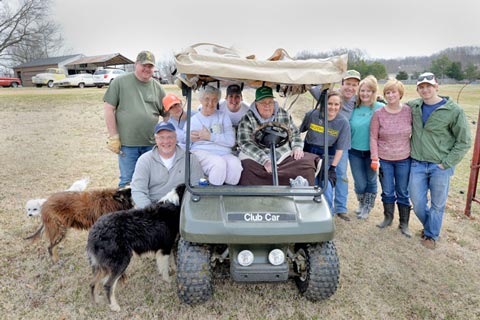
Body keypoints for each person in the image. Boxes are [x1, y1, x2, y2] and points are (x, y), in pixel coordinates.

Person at [408, 72, 471, 249]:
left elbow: (464, 141)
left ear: (437, 86)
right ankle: (431, 225)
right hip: (417, 163)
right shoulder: (414, 106)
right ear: (418, 90)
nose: (425, 89)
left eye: (429, 86)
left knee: (437, 204)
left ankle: (430, 235)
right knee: (418, 202)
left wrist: (446, 163)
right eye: (421, 87)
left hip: (440, 166)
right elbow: (395, 108)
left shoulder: (454, 110)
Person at [104, 50, 167, 187]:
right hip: (128, 145)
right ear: (136, 64)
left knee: (151, 181)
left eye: (150, 66)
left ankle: (146, 208)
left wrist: (169, 137)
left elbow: (167, 114)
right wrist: (113, 136)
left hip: (150, 145)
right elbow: (109, 109)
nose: (146, 69)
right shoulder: (120, 82)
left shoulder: (158, 87)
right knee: (127, 182)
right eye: (143, 65)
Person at [237, 86, 319, 185]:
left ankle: (300, 193)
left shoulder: (283, 114)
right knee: (246, 168)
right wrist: (265, 160)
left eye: (270, 102)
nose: (267, 106)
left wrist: (297, 147)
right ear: (256, 104)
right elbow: (245, 143)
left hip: (282, 154)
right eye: (263, 103)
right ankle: (257, 195)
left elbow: (295, 134)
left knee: (308, 164)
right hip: (258, 157)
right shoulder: (247, 119)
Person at [310, 70, 361, 220]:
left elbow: (371, 98)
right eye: (348, 84)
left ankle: (341, 207)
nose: (350, 88)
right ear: (341, 83)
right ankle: (323, 205)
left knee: (340, 174)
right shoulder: (328, 94)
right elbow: (309, 86)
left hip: (341, 141)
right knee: (320, 174)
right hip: (324, 139)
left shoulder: (357, 100)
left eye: (354, 85)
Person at [370, 79, 412, 237]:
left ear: (400, 94)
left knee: (402, 191)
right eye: (387, 92)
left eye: (394, 92)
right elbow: (373, 137)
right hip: (384, 159)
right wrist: (375, 158)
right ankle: (388, 218)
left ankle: (404, 223)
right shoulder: (379, 114)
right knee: (387, 191)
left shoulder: (408, 111)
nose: (390, 95)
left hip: (404, 159)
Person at [300, 91, 351, 217]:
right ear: (323, 104)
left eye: (336, 104)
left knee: (326, 187)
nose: (332, 107)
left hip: (327, 157)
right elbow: (298, 132)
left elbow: (340, 149)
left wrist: (333, 168)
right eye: (329, 104)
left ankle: (328, 216)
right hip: (310, 155)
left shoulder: (343, 123)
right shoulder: (312, 115)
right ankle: (309, 215)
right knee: (310, 185)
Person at [130, 122, 203, 209]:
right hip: (152, 207)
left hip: (181, 208)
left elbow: (197, 188)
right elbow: (138, 191)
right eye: (161, 137)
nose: (166, 141)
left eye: (170, 137)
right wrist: (150, 211)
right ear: (155, 139)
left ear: (176, 138)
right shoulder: (144, 160)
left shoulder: (190, 159)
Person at [190, 85, 243, 185]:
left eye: (214, 100)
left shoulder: (223, 116)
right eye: (207, 99)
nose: (210, 103)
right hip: (202, 152)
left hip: (224, 152)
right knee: (218, 164)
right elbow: (184, 140)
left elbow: (231, 141)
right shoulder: (194, 120)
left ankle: (229, 194)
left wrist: (209, 137)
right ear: (201, 100)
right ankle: (212, 197)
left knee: (235, 165)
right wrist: (189, 138)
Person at [349, 75, 384, 219]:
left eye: (369, 91)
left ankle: (367, 207)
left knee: (370, 180)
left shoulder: (380, 107)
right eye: (362, 90)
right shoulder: (353, 107)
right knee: (359, 181)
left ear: (374, 92)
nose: (365, 94)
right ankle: (361, 202)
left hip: (372, 152)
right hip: (354, 151)